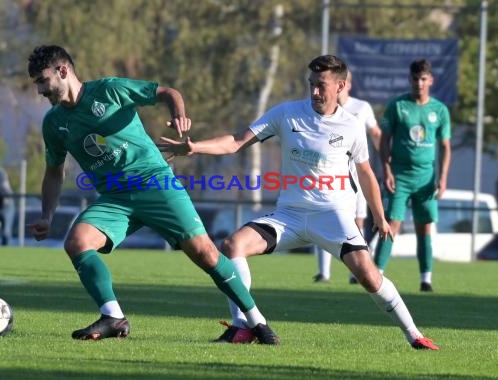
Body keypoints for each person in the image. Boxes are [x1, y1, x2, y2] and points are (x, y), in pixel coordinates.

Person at [159, 55, 439, 350]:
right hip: (289, 216)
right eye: (311, 85)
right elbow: (237, 141)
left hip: (333, 216)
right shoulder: (286, 114)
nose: (315, 92)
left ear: (340, 85)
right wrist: (195, 148)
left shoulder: (351, 125)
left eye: (322, 85)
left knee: (370, 277)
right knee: (232, 247)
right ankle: (244, 326)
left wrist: (380, 216)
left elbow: (366, 172)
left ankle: (415, 335)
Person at [26, 45, 279, 343]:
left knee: (206, 254)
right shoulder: (53, 123)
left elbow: (167, 93)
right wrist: (46, 215)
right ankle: (113, 317)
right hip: (115, 197)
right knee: (77, 242)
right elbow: (55, 171)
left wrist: (179, 115)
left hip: (155, 182)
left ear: (63, 71)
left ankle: (258, 323)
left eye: (43, 81)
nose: (41, 90)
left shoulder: (109, 90)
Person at [374, 59, 451, 292]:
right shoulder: (397, 106)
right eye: (415, 79)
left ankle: (426, 279)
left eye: (423, 79)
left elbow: (445, 146)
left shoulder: (439, 110)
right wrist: (386, 170)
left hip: (426, 178)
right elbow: (384, 140)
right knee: (391, 224)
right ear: (410, 80)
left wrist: (443, 177)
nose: (419, 83)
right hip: (399, 176)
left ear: (430, 80)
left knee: (424, 228)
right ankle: (376, 276)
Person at [313, 70, 382, 284]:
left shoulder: (361, 108)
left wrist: (386, 163)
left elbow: (376, 133)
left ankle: (355, 272)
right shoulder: (323, 107)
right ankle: (324, 272)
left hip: (356, 172)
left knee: (358, 220)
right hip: (330, 171)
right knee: (322, 216)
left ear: (345, 85)